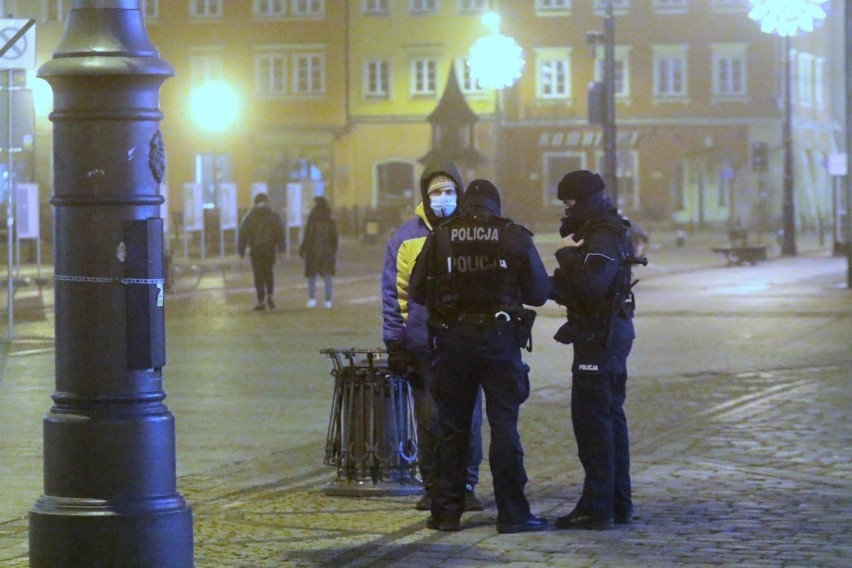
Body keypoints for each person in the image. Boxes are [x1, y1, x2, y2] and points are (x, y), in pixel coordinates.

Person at [409, 179, 551, 534]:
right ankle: (513, 513)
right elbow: (538, 293)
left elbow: (417, 290)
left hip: (454, 341)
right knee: (504, 426)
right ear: (495, 204)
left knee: (452, 428)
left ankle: (445, 513)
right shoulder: (512, 235)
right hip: (499, 340)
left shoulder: (441, 236)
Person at [381, 161, 484, 513]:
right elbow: (396, 294)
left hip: (466, 342)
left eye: (450, 190)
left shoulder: (472, 231)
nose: (444, 197)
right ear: (425, 195)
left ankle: (466, 484)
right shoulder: (405, 238)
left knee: (468, 419)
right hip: (424, 345)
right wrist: (396, 342)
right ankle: (434, 484)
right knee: (429, 419)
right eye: (437, 191)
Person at [549, 170, 639, 531]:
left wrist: (566, 271)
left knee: (593, 424)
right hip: (606, 335)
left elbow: (592, 287)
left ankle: (598, 506)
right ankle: (617, 502)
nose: (567, 211)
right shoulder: (607, 229)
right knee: (609, 420)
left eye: (570, 204)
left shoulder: (602, 235)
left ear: (585, 201)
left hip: (600, 339)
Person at [238, 192, 286, 311]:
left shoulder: (250, 216)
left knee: (258, 275)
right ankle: (270, 296)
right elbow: (280, 232)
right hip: (270, 249)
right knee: (269, 272)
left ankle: (260, 301)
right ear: (266, 202)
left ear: (255, 202)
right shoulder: (273, 215)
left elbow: (243, 233)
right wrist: (281, 249)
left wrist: (241, 250)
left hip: (256, 250)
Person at [299, 196, 338, 309]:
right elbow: (334, 235)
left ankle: (312, 299)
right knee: (327, 276)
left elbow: (308, 233)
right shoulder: (330, 217)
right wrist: (333, 249)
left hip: (313, 250)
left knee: (312, 275)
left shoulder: (313, 216)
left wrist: (303, 247)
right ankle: (328, 301)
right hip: (327, 251)